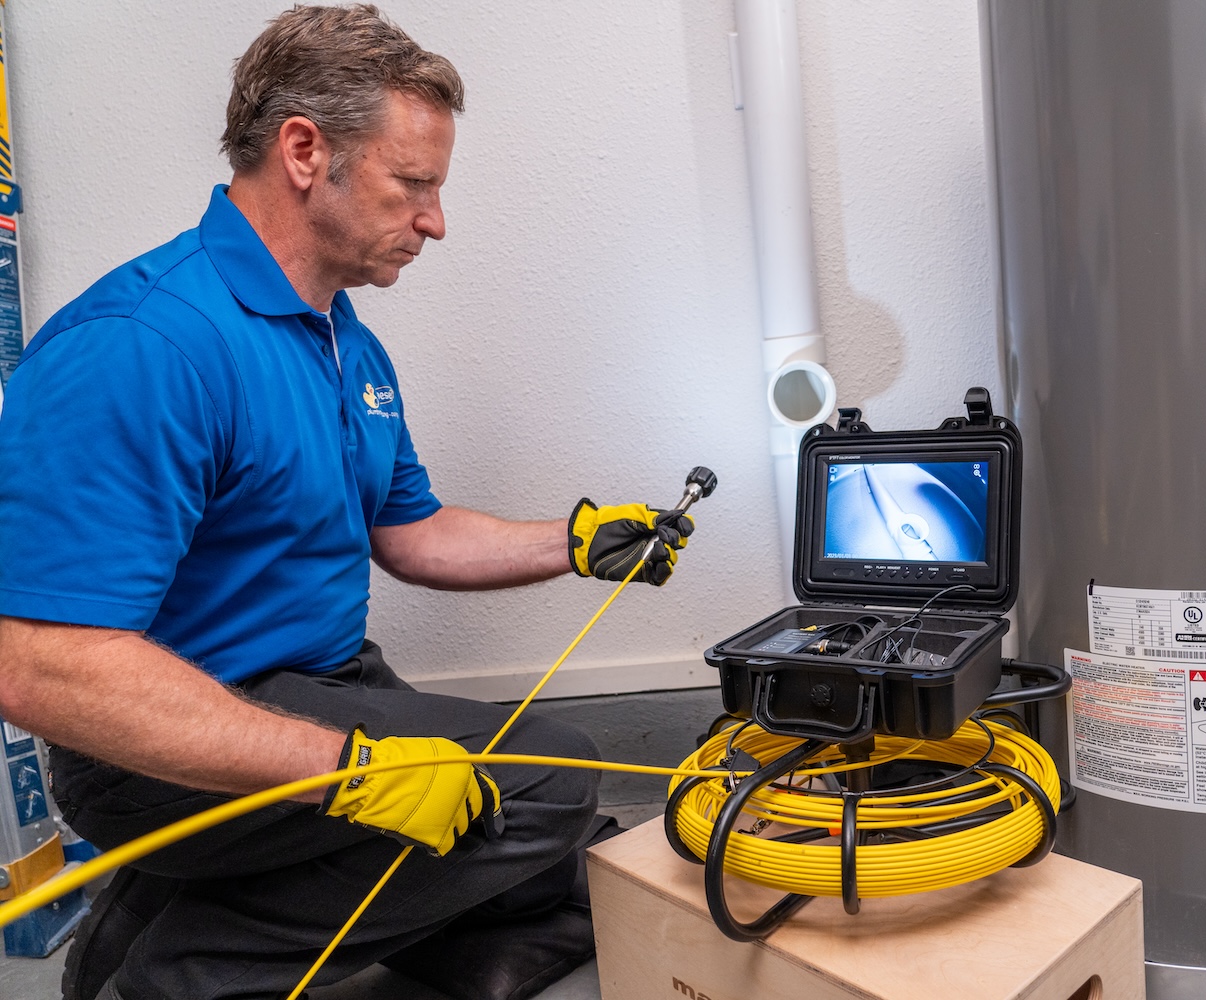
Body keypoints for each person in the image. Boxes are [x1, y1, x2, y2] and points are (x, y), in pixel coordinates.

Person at [0, 6, 692, 999]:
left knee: (559, 848)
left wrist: (577, 543)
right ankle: (176, 973)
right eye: (413, 184)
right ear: (303, 151)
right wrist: (352, 767)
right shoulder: (143, 344)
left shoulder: (341, 339)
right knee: (547, 782)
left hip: (326, 682)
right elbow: (45, 671)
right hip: (167, 738)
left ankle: (191, 919)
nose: (435, 219)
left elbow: (409, 531)